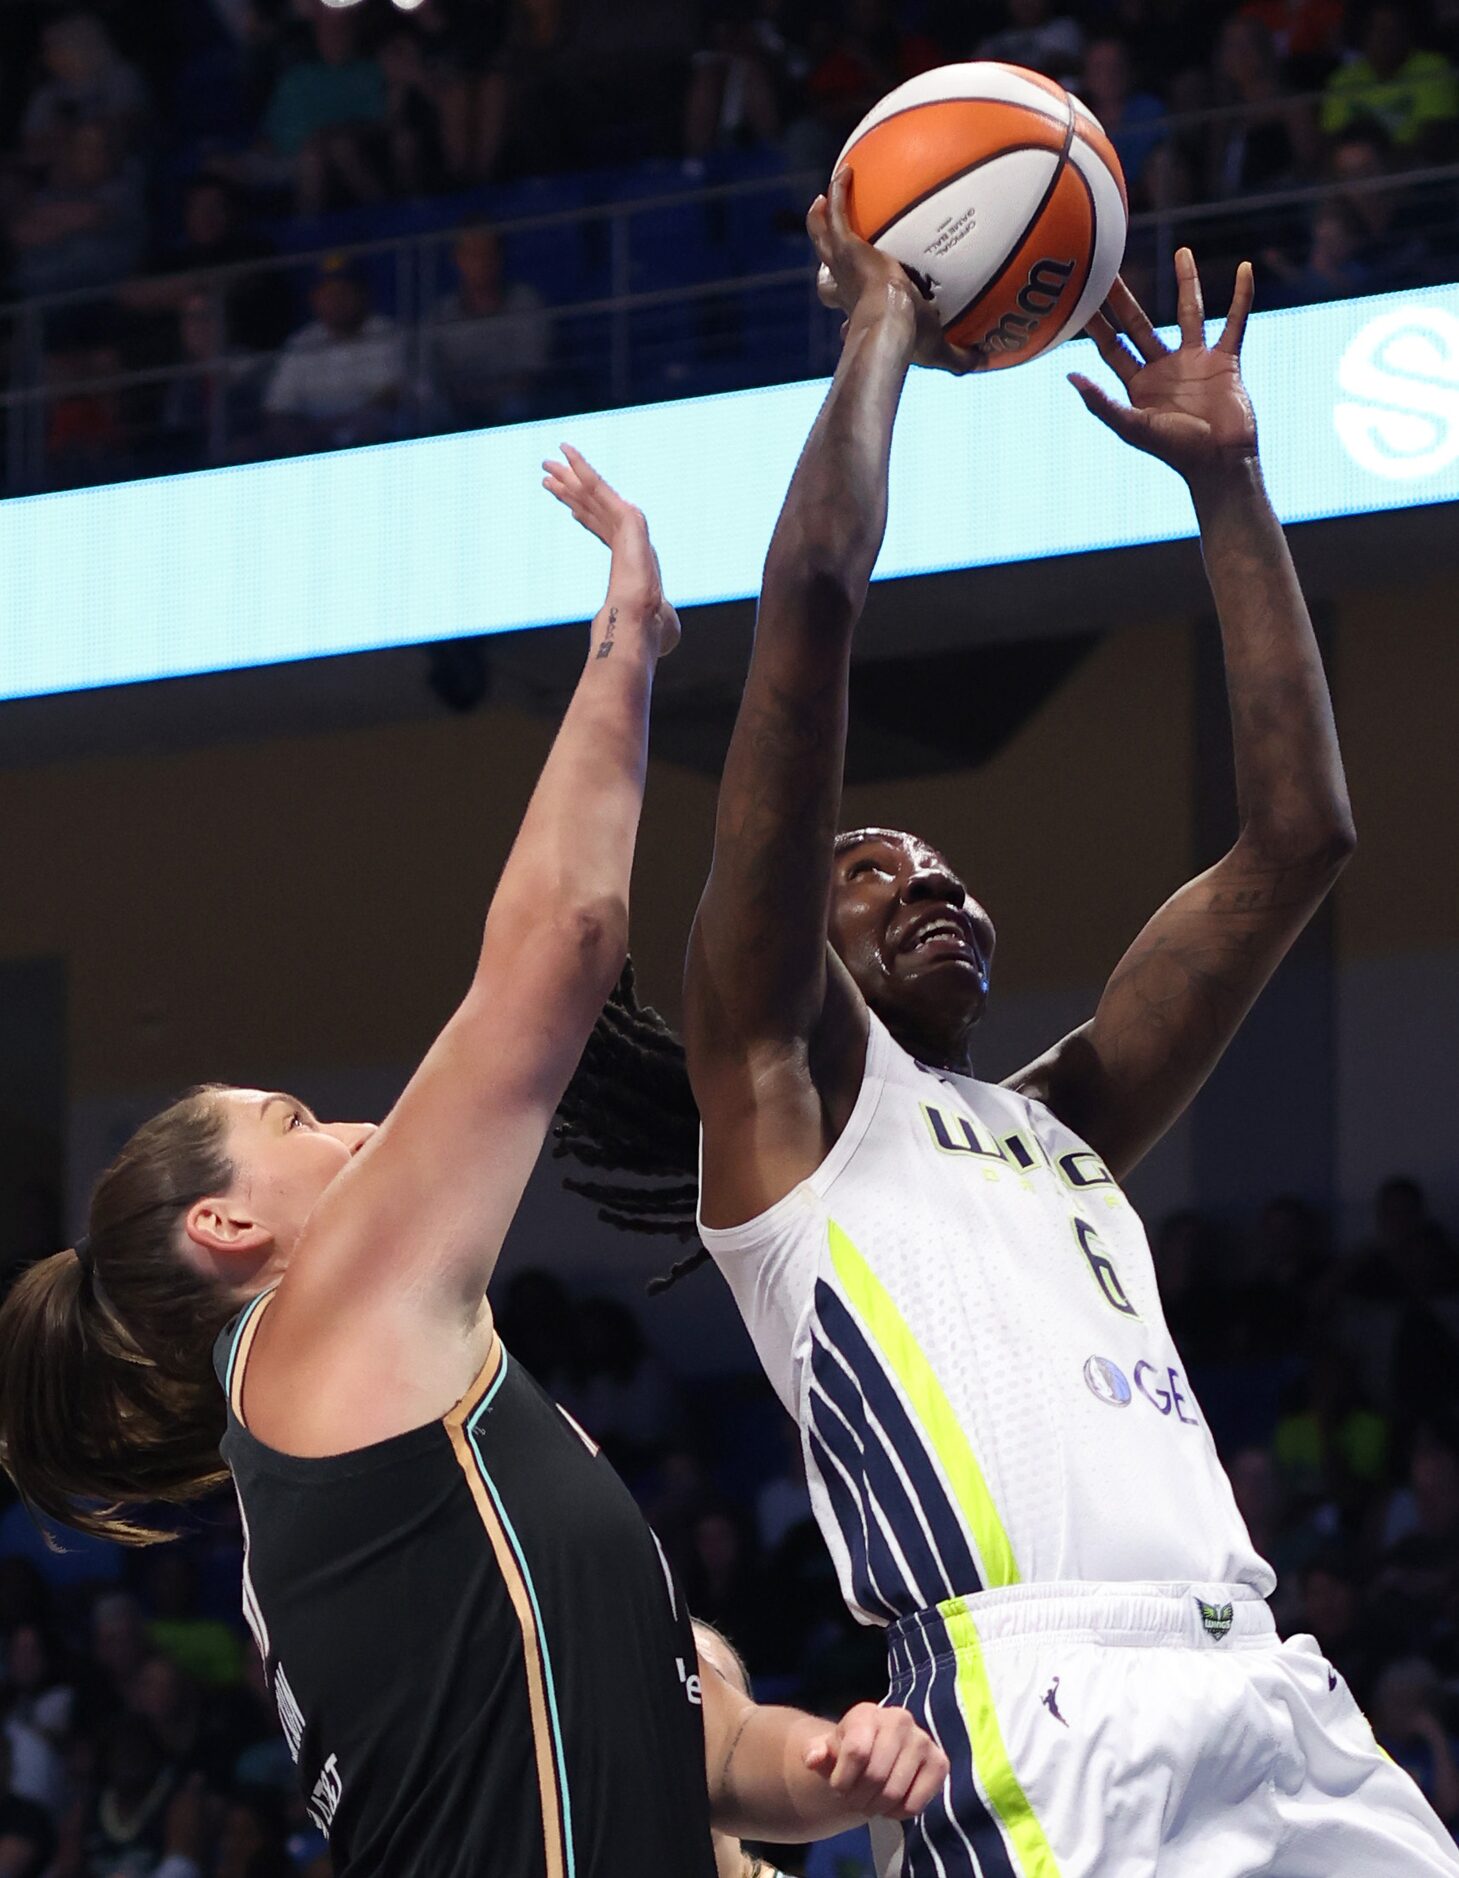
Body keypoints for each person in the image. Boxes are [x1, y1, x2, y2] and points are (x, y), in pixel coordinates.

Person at [559, 174, 1458, 1875]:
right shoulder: (778, 1104)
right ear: (783, 940)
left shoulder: (1055, 1120)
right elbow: (813, 611)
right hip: (1038, 1702)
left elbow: (1296, 840)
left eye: (949, 870)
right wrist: (880, 332)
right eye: (870, 866)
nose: (928, 883)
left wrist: (1229, 482)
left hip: (1266, 1682)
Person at [0, 458, 946, 1877]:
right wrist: (626, 636)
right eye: (297, 1121)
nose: (361, 1129)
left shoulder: (421, 1458)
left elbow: (698, 1738)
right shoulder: (300, 1344)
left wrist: (824, 1761)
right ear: (226, 1221)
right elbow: (560, 942)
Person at [262, 255, 407, 453]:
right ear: (315, 298)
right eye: (328, 293)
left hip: (379, 446)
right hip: (313, 447)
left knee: (371, 424)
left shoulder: (387, 333)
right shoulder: (301, 343)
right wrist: (300, 440)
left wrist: (333, 429)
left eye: (344, 292)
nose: (336, 301)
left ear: (363, 294)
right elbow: (278, 408)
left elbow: (392, 395)